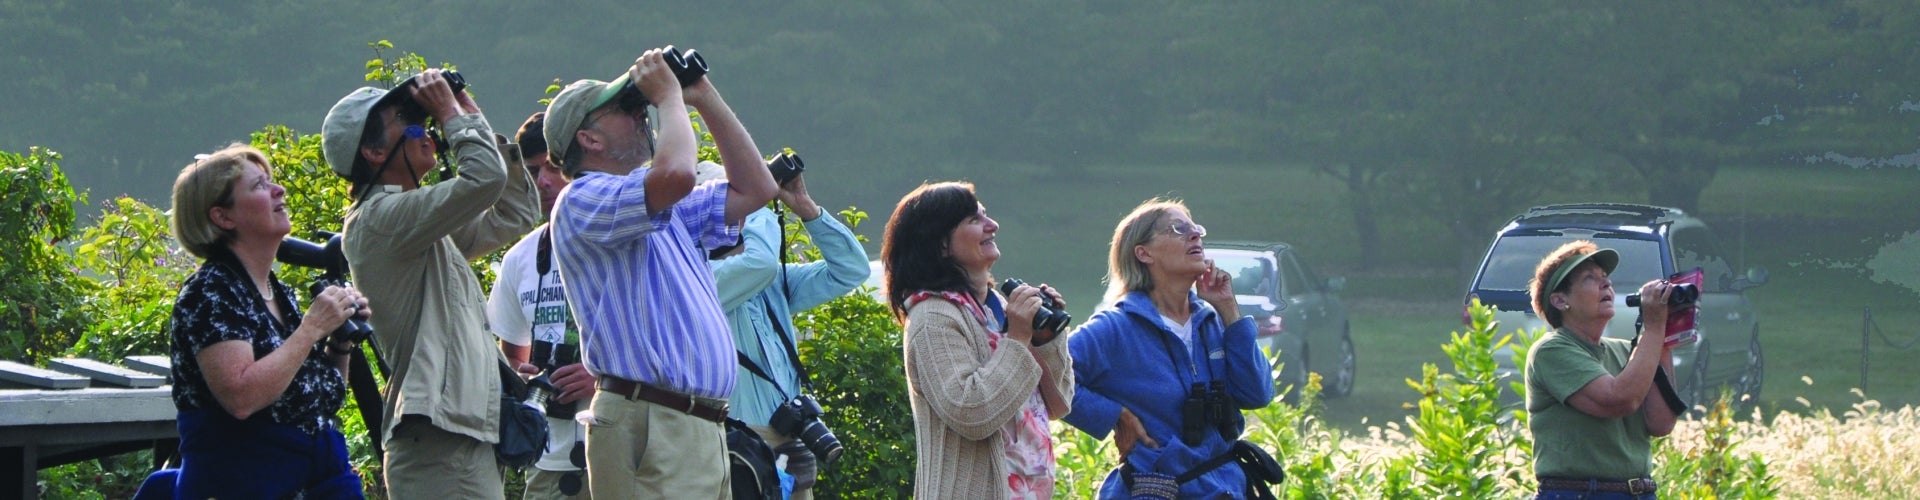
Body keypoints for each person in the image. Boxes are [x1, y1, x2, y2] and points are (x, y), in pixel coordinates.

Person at [543, 47, 778, 498]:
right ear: (589, 140)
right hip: (647, 419)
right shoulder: (580, 200)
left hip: (698, 425)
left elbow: (757, 188)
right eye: (626, 110)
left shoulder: (659, 204)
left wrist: (701, 94)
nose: (641, 115)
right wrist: (669, 97)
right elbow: (676, 173)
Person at [321, 68, 541, 499]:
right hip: (439, 447)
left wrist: (463, 107)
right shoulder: (380, 221)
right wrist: (451, 114)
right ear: (371, 150)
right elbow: (484, 181)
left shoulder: (415, 225)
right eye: (410, 121)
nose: (428, 132)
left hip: (459, 438)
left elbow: (512, 212)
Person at [160, 145, 370, 498]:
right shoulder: (211, 292)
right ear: (223, 218)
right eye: (259, 186)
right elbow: (241, 398)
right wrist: (311, 329)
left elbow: (319, 400)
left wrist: (339, 340)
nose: (279, 190)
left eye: (272, 181)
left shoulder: (277, 292)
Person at [1063, 199, 1274, 499]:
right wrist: (1113, 415)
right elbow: (1047, 376)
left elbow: (1257, 394)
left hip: (1227, 488)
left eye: (1196, 229)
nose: (1195, 235)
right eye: (1178, 229)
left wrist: (1229, 310)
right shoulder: (1115, 328)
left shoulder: (1213, 321)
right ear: (1143, 252)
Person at [881, 181, 1073, 499]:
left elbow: (1058, 403)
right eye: (974, 220)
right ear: (940, 244)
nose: (992, 225)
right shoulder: (933, 319)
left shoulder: (995, 307)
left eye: (985, 215)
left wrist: (1044, 339)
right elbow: (972, 413)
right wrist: (1019, 337)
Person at [707, 165, 870, 499]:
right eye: (730, 205)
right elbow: (759, 264)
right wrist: (758, 200)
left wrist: (804, 207)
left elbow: (851, 269)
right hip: (738, 444)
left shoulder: (771, 282)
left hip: (789, 444)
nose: (738, 215)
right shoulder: (701, 279)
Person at [485, 111, 596, 499]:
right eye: (532, 171)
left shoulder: (618, 240)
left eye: (553, 167)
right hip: (550, 459)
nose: (544, 182)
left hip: (622, 446)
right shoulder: (520, 258)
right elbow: (511, 352)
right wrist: (523, 375)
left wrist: (602, 376)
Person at [1525, 240, 1679, 499]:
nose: (1606, 284)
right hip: (1580, 493)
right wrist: (1653, 327)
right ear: (1560, 300)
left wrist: (1665, 336)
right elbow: (1619, 400)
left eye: (1605, 277)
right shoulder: (1551, 351)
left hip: (1639, 492)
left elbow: (1661, 423)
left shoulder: (1626, 352)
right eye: (1589, 278)